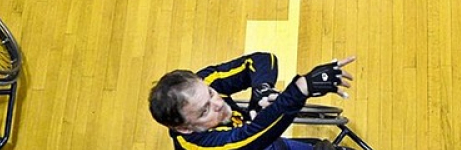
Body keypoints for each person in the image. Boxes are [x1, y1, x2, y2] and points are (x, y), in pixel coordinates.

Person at [149, 53, 356, 150]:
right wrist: (301, 89)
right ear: (184, 128)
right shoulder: (195, 146)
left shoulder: (200, 84)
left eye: (211, 93)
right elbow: (249, 138)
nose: (218, 103)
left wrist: (261, 90)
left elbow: (260, 61)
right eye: (204, 112)